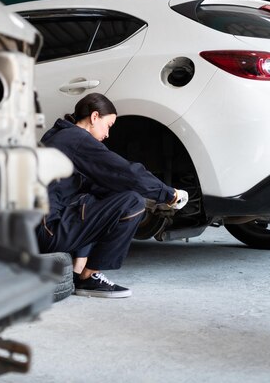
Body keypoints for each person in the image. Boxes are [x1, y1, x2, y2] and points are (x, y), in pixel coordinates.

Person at [36, 93, 188, 298]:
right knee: (132, 202)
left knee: (100, 198)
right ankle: (89, 277)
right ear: (94, 117)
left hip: (40, 229)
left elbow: (98, 186)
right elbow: (126, 171)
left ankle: (79, 270)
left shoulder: (60, 137)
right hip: (49, 232)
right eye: (108, 125)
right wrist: (168, 194)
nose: (108, 134)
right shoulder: (76, 138)